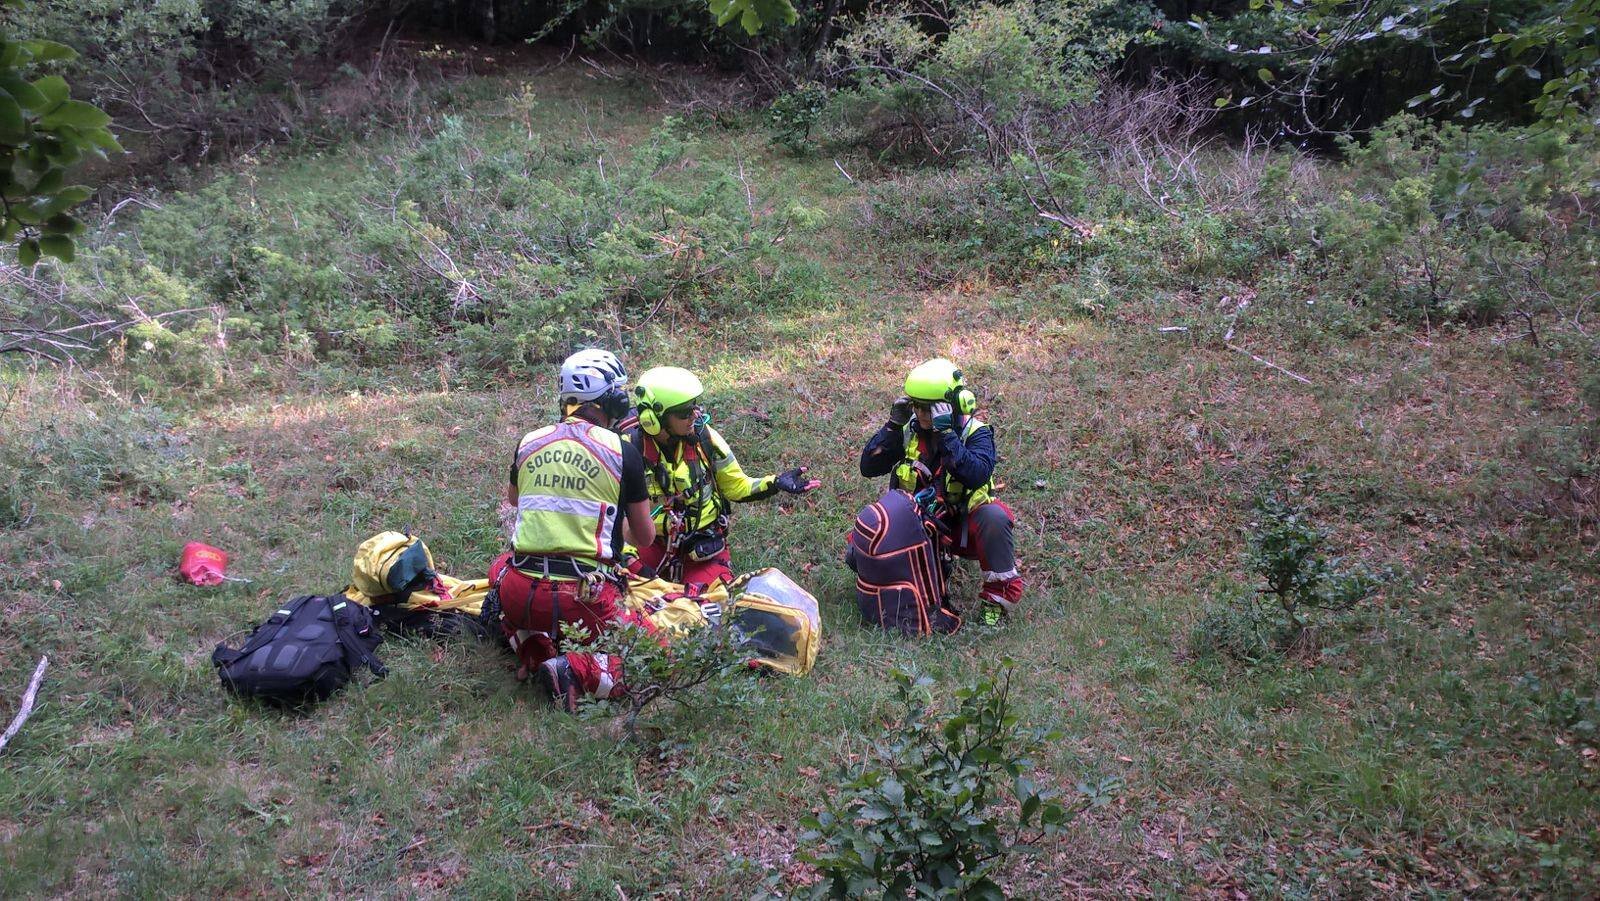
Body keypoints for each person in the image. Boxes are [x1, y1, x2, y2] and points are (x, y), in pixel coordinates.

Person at [489, 348, 656, 711]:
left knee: (501, 565)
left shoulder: (529, 441)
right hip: (582, 597)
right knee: (651, 655)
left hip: (520, 592)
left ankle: (530, 642)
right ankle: (573, 671)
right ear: (610, 398)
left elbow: (516, 500)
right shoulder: (622, 452)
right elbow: (644, 538)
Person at [619, 365, 819, 592]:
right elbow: (612, 518)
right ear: (654, 418)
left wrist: (775, 482)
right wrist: (635, 565)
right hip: (651, 541)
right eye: (685, 412)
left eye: (695, 407)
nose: (694, 416)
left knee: (710, 603)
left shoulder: (705, 439)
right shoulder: (627, 449)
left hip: (702, 542)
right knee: (627, 586)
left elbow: (737, 487)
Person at [859, 358, 1023, 625]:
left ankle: (996, 599)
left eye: (931, 408)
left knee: (995, 516)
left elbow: (975, 474)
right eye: (918, 406)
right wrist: (892, 425)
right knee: (861, 546)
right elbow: (869, 466)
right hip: (918, 525)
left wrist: (947, 434)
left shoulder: (976, 433)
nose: (923, 415)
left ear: (957, 403)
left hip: (961, 526)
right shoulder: (909, 430)